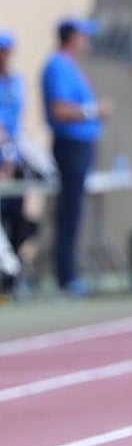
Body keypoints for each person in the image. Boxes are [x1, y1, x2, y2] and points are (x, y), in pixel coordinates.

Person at [41, 17, 111, 298]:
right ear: (71, 37)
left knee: (76, 210)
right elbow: (60, 109)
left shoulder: (70, 67)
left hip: (81, 144)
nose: (86, 41)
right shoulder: (58, 66)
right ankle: (66, 276)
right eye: (82, 36)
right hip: (70, 145)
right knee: (69, 211)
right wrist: (94, 111)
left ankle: (70, 272)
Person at [0, 29, 38, 292]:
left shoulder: (16, 81)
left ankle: (11, 276)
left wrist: (13, 157)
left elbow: (15, 125)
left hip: (14, 157)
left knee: (18, 217)